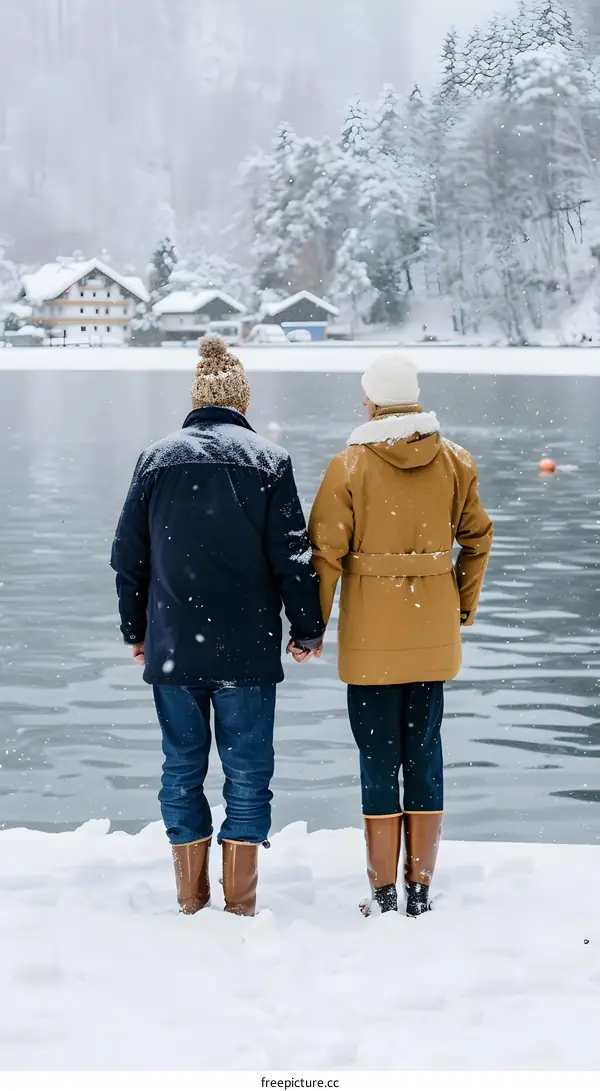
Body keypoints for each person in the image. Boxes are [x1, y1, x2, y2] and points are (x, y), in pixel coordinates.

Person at [111, 337, 323, 917]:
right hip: (246, 652)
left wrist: (136, 631)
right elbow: (293, 558)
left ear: (196, 398)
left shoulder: (157, 459)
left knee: (181, 768)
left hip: (175, 646)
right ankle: (240, 907)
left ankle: (190, 899)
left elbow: (128, 554)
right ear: (242, 402)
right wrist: (306, 630)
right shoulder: (268, 461)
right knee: (249, 775)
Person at [308, 354, 493, 917]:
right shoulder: (456, 461)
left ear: (371, 401)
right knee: (425, 754)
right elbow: (478, 538)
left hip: (371, 644)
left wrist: (312, 626)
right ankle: (421, 891)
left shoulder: (350, 466)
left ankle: (383, 893)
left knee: (377, 757)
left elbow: (325, 555)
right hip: (433, 636)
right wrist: (461, 606)